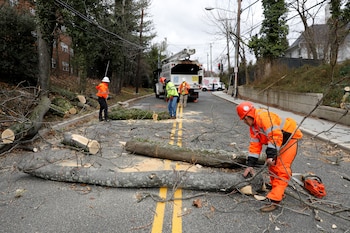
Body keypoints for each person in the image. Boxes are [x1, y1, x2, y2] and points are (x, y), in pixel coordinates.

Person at [236, 101, 303, 212]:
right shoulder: (253, 127)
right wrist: (250, 164)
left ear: (249, 116)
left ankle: (275, 200)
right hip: (278, 141)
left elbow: (275, 136)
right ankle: (277, 189)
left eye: (244, 119)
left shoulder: (263, 117)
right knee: (272, 167)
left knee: (281, 169)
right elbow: (255, 145)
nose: (244, 122)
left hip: (289, 138)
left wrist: (271, 155)